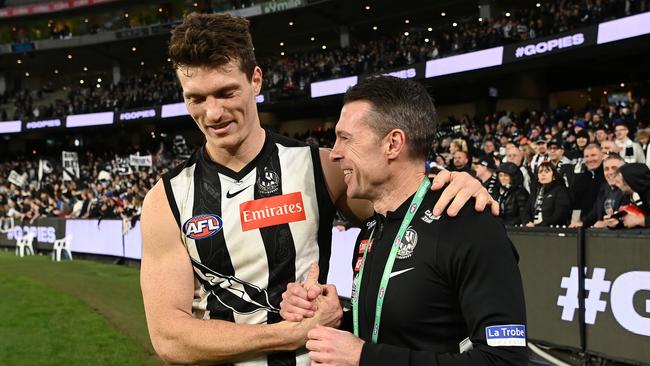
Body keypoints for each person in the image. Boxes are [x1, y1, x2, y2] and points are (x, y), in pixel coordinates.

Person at [139, 12, 496, 365]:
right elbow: (170, 337)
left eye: (226, 92)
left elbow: (408, 223)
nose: (213, 113)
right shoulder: (166, 199)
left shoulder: (322, 167)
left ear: (256, 80)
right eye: (196, 99)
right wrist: (290, 334)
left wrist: (448, 184)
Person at [280, 76, 527, 366]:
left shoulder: (467, 222)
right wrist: (337, 319)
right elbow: (393, 336)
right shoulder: (371, 229)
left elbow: (505, 360)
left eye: (345, 138)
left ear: (393, 144)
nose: (334, 153)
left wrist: (363, 357)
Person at [569, 154, 629, 228]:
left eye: (614, 168)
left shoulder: (629, 189)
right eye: (606, 169)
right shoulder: (604, 188)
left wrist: (606, 223)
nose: (610, 172)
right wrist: (582, 222)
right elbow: (594, 213)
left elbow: (627, 217)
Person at [524, 162, 571, 227]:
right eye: (540, 172)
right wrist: (527, 223)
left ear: (554, 176)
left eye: (546, 172)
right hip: (533, 229)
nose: (543, 174)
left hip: (552, 230)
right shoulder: (535, 191)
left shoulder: (560, 190)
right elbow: (526, 211)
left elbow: (559, 215)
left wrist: (539, 225)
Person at [613, 163, 650, 228]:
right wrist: (616, 222)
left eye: (618, 182)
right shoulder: (629, 195)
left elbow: (639, 220)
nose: (615, 184)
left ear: (629, 182)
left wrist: (641, 220)